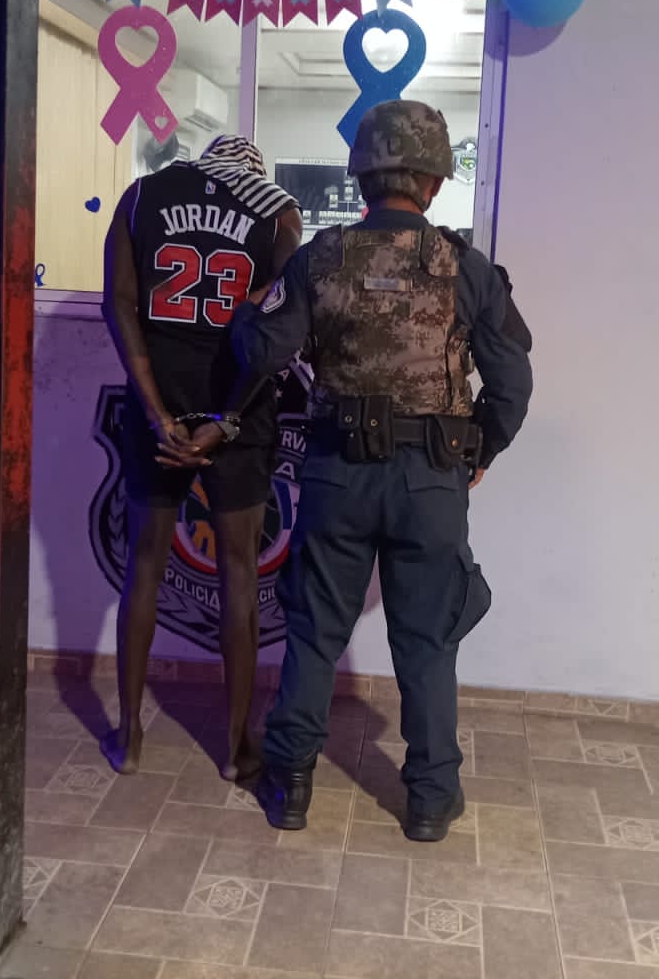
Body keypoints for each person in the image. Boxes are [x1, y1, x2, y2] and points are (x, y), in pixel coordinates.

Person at [221, 99, 533, 841]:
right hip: (431, 480)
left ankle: (290, 787)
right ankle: (429, 799)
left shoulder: (318, 259)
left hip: (338, 475)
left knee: (314, 631)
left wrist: (246, 311)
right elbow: (513, 383)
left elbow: (261, 353)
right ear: (434, 181)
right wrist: (480, 450)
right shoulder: (466, 267)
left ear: (361, 176)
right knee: (427, 641)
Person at [100, 135, 303, 780]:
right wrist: (227, 420)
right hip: (237, 415)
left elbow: (119, 306)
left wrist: (158, 414)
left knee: (144, 568)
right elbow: (277, 333)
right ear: (253, 169)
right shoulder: (277, 211)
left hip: (157, 408)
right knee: (239, 574)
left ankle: (129, 736)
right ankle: (237, 748)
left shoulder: (141, 197)